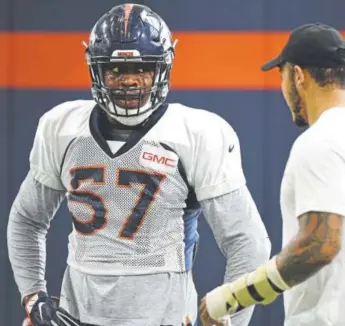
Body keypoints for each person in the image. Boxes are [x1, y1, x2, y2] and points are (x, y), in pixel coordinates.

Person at [7, 3, 271, 326]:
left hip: (165, 318)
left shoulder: (195, 135)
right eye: (115, 70)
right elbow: (26, 219)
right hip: (75, 317)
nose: (129, 81)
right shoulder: (63, 128)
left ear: (162, 68)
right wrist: (34, 296)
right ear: (96, 70)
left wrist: (230, 316)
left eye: (142, 68)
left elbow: (249, 241)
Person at [200, 22, 345, 326]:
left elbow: (320, 245)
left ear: (298, 75)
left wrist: (233, 296)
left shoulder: (320, 142)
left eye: (281, 75)